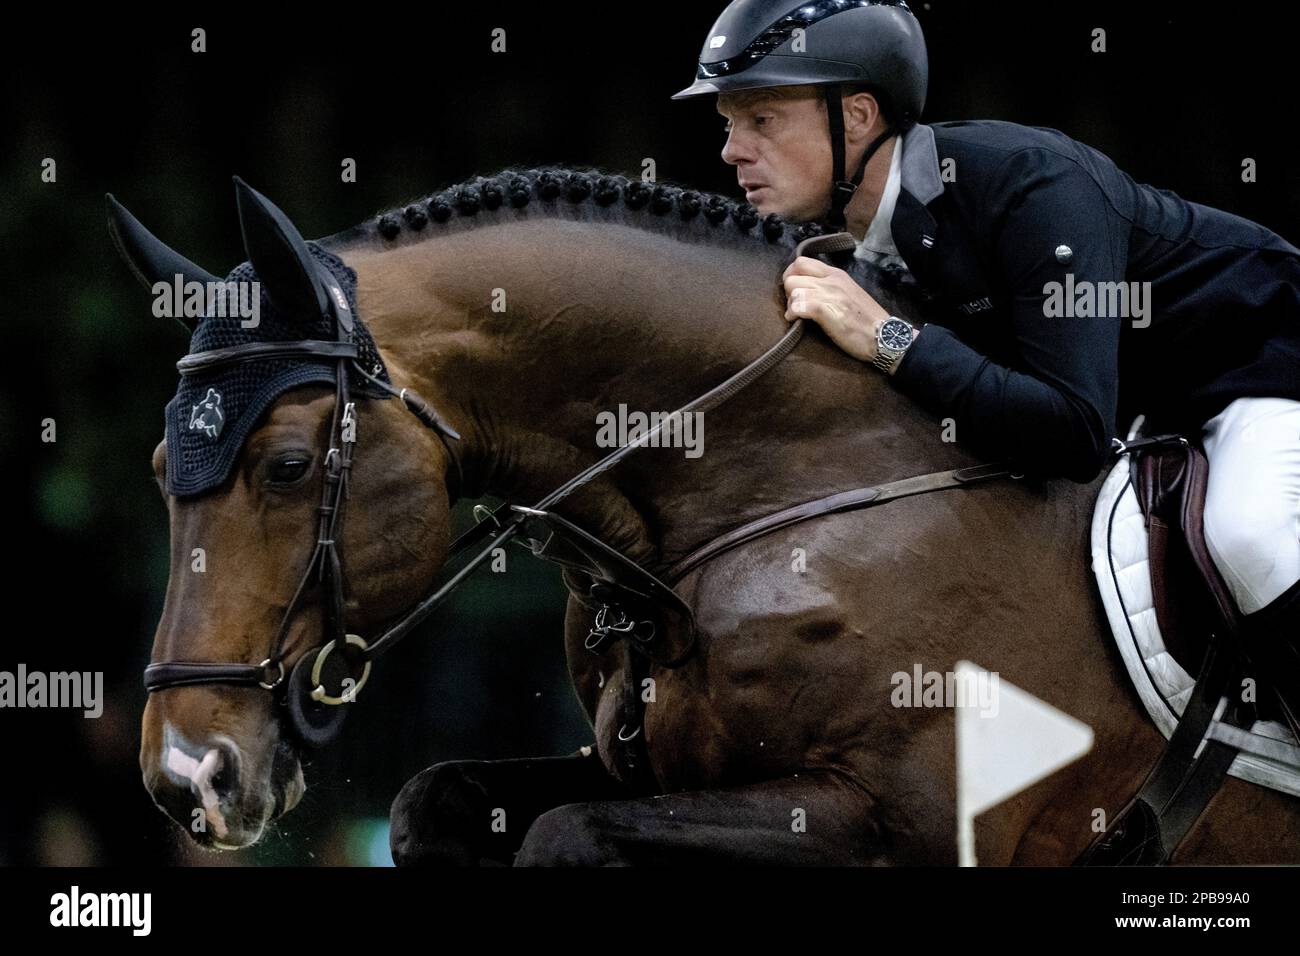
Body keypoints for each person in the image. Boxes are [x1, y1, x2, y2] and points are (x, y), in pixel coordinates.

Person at [672, 0, 1300, 719]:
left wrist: (889, 341)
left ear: (856, 118)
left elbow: (1071, 428)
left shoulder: (1032, 181)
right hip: (1158, 412)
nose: (731, 150)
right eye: (728, 122)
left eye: (762, 119)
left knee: (1248, 535)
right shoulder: (831, 242)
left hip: (1262, 365)